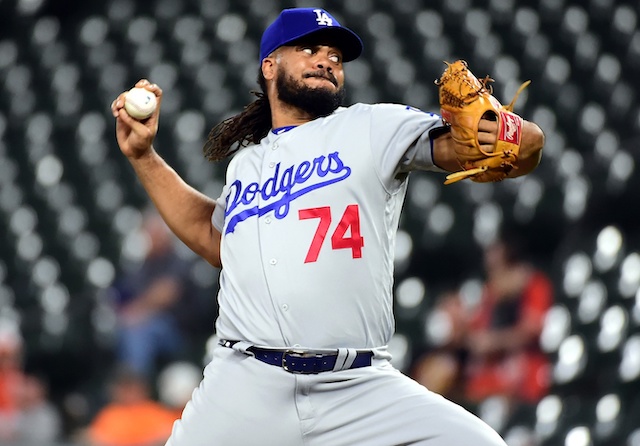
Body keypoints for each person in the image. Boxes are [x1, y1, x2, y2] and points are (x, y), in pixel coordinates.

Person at [110, 7, 545, 445]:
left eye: (335, 56)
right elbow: (212, 237)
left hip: (356, 385)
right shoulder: (245, 166)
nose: (326, 60)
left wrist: (521, 139)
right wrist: (144, 158)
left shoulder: (374, 126)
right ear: (269, 65)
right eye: (309, 48)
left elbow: (494, 147)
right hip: (245, 385)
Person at [110, 210, 196, 379]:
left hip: (177, 330)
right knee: (125, 328)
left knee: (140, 331)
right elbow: (122, 294)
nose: (152, 238)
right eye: (149, 233)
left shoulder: (178, 261)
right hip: (146, 323)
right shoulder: (144, 265)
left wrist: (138, 310)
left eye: (156, 233)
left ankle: (137, 383)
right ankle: (124, 383)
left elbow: (166, 293)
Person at [83, 366, 177, 446]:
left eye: (131, 386)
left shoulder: (155, 411)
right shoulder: (109, 414)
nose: (128, 392)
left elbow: (169, 434)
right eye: (123, 387)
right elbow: (95, 438)